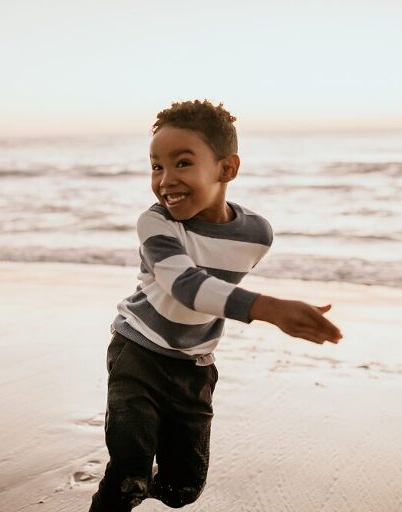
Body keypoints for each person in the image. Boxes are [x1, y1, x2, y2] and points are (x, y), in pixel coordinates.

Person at [89, 99, 343, 511]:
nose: (165, 179)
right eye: (156, 166)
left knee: (182, 491)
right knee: (130, 472)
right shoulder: (155, 224)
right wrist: (269, 308)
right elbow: (185, 285)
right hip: (137, 353)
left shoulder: (257, 235)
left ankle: (143, 480)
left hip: (194, 368)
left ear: (227, 169)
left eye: (183, 163)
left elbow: (215, 283)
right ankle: (125, 483)